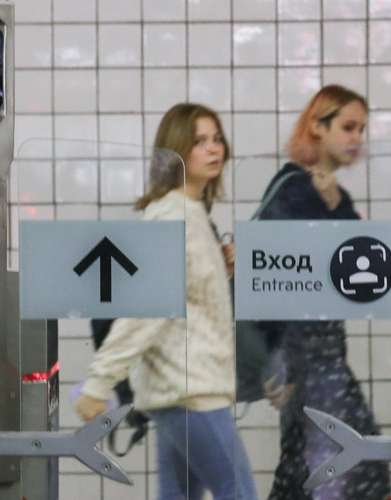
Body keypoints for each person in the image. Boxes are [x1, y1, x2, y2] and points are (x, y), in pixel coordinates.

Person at [74, 103, 257, 500]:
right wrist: (99, 382)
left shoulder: (191, 214)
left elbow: (182, 296)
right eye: (199, 141)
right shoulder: (174, 217)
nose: (214, 149)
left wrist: (221, 270)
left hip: (180, 388)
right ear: (176, 150)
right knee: (238, 491)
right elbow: (147, 309)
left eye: (217, 139)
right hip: (191, 390)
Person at [259, 85, 391, 500]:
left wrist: (335, 205)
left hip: (322, 353)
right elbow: (273, 274)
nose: (357, 138)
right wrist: (273, 362)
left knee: (310, 468)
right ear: (317, 126)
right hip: (302, 354)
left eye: (362, 130)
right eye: (348, 127)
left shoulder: (331, 194)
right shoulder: (293, 189)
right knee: (350, 465)